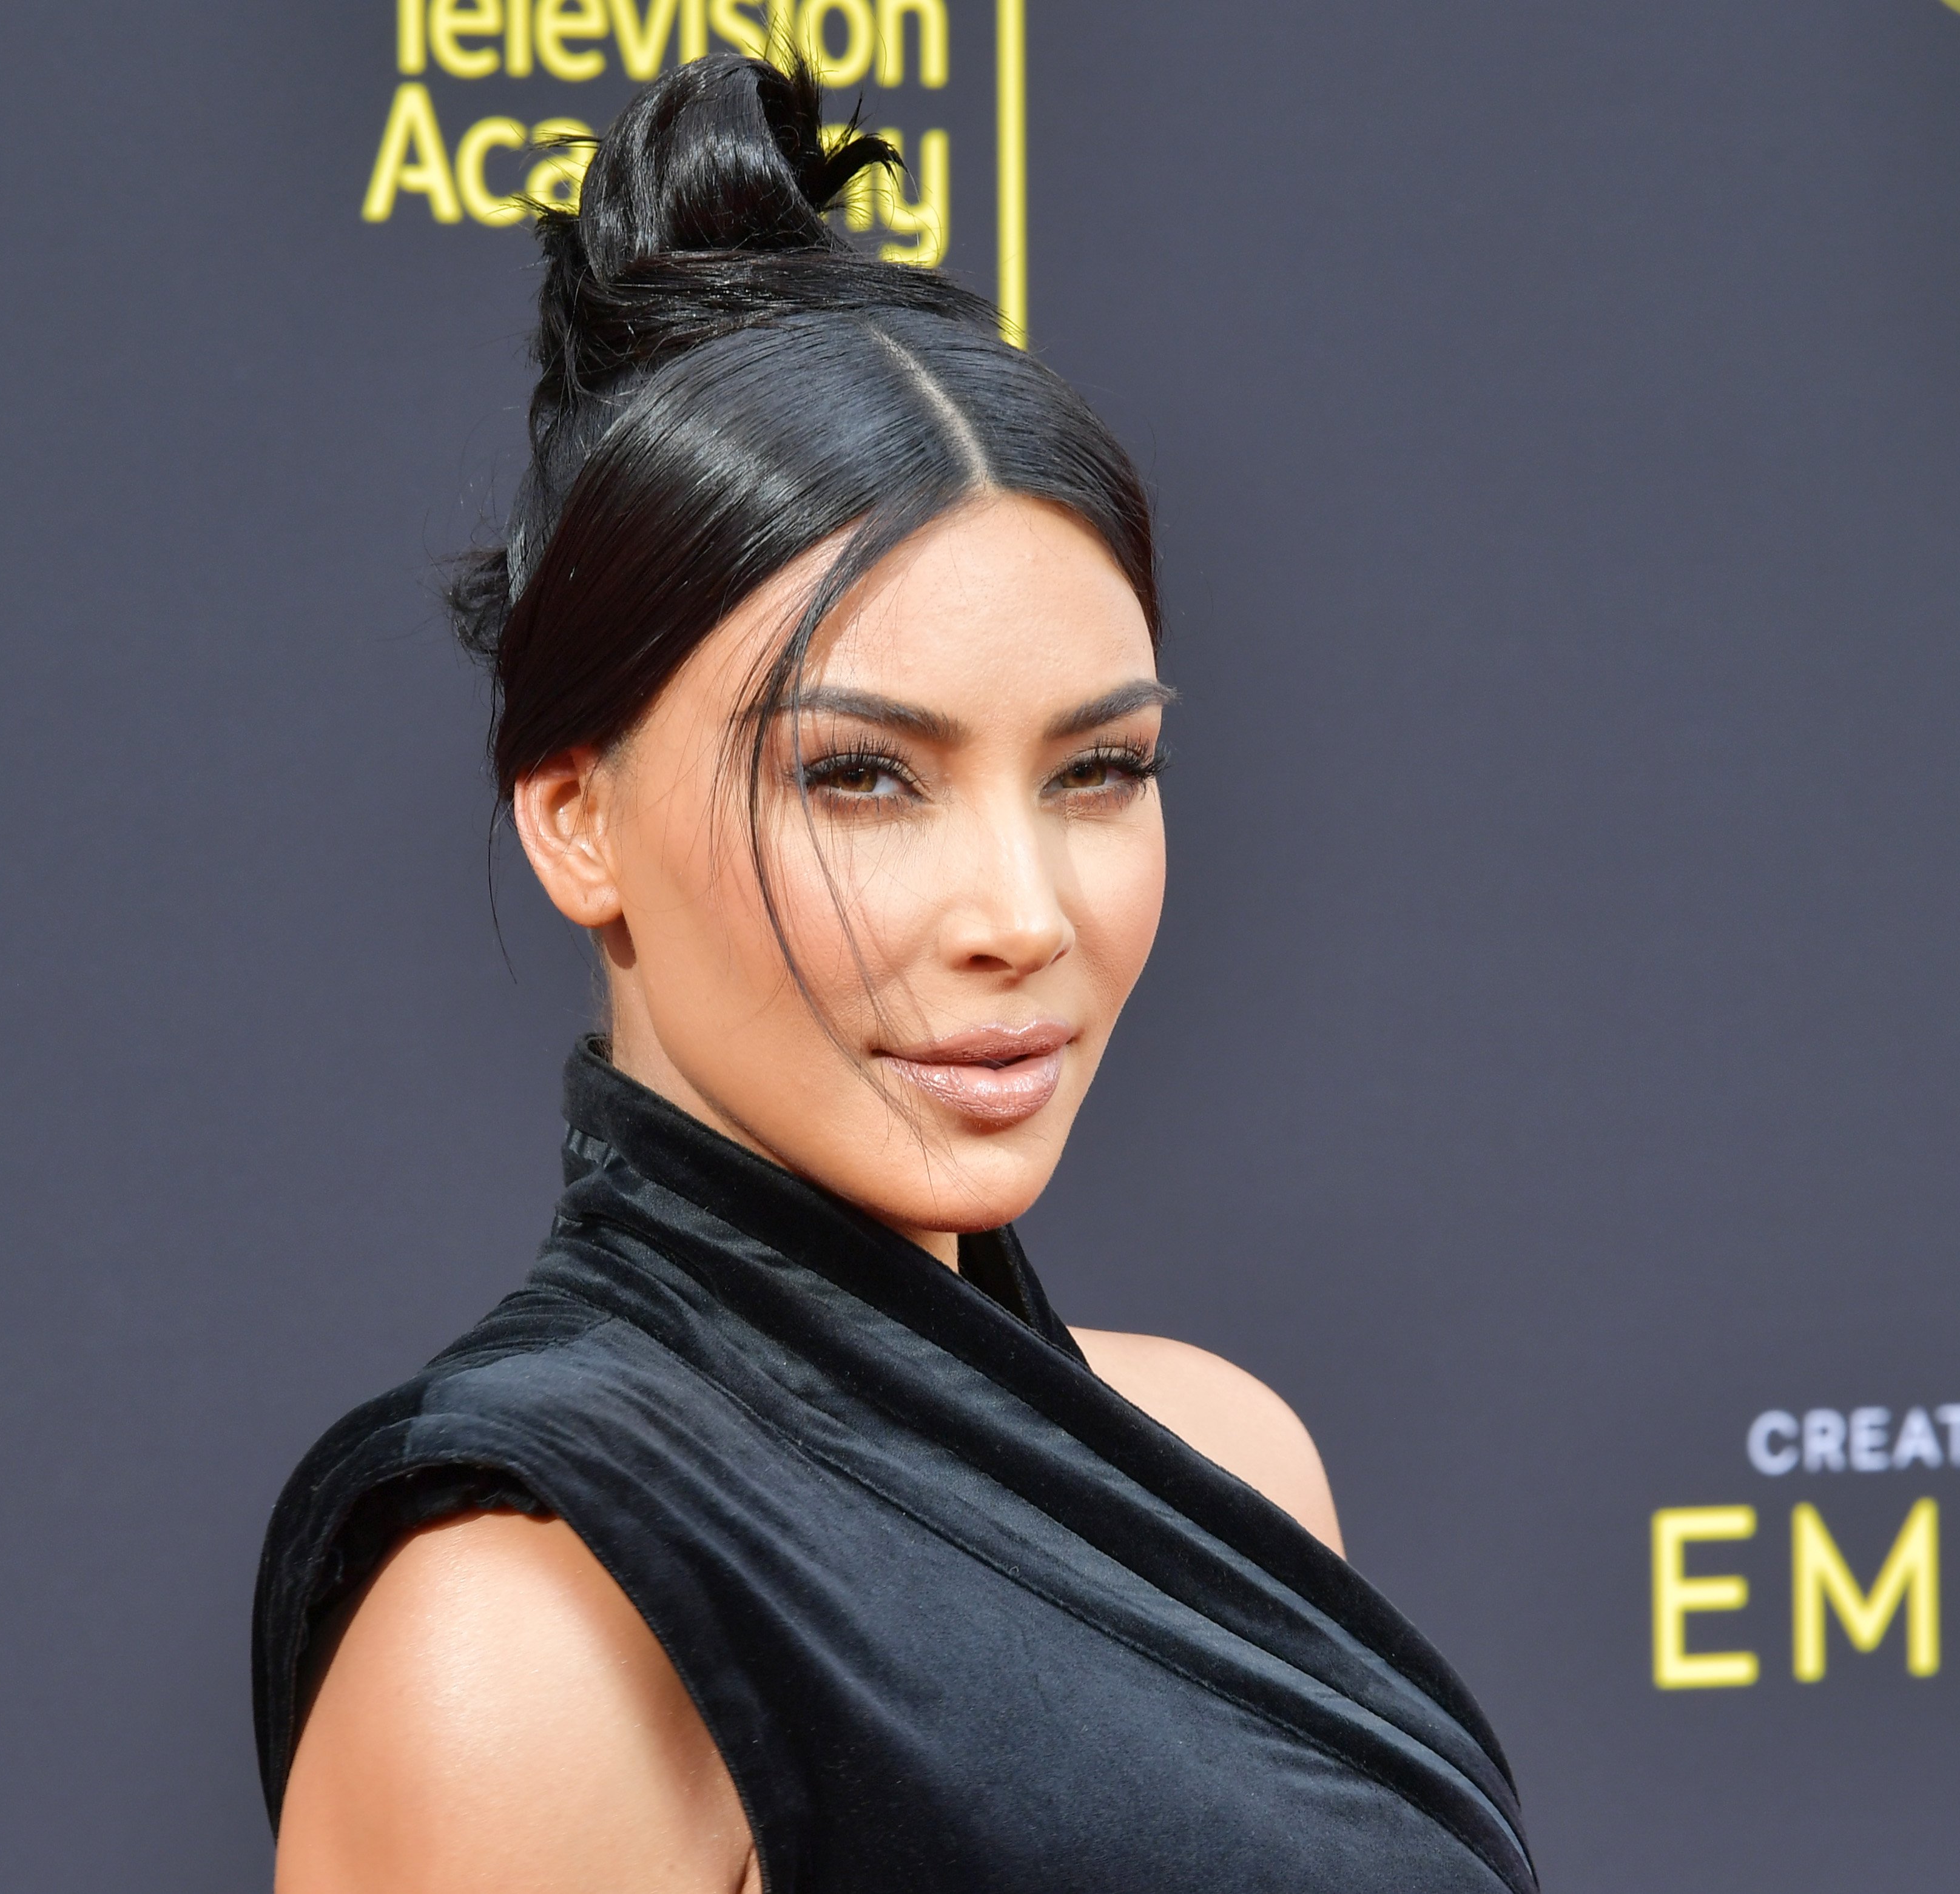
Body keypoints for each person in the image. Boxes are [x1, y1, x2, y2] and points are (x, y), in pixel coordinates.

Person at [254, 56, 1534, 1894]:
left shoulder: (1226, 1457)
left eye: (1097, 770)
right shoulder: (524, 1638)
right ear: (572, 818)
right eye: (861, 774)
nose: (1018, 909)